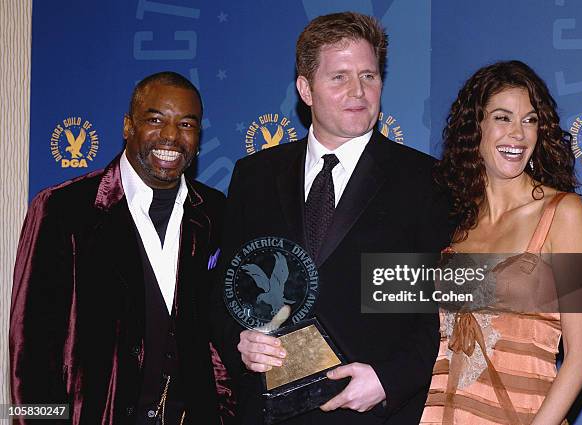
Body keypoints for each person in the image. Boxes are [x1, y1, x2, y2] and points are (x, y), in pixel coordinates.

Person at [212, 12, 451, 425]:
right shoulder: (253, 176)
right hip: (271, 413)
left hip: (376, 413)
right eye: (339, 77)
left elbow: (445, 310)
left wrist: (389, 381)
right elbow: (224, 288)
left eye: (369, 76)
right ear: (306, 88)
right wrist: (240, 341)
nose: (358, 91)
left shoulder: (426, 181)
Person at [10, 72, 231, 424]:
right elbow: (30, 351)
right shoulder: (62, 209)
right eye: (155, 120)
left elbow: (221, 342)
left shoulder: (217, 213)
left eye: (186, 124)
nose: (171, 136)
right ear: (128, 126)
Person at [420, 61, 582, 424]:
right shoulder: (455, 224)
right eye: (503, 118)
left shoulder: (564, 214)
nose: (518, 134)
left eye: (529, 121)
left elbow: (580, 358)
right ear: (476, 127)